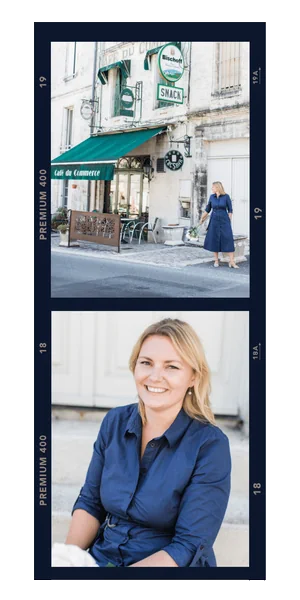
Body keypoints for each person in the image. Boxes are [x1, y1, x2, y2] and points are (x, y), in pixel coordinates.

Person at [64, 318, 231, 567]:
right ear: (135, 367)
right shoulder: (115, 422)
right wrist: (66, 560)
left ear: (193, 377)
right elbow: (91, 503)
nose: (155, 376)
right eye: (146, 363)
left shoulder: (209, 445)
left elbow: (188, 545)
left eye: (171, 367)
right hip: (103, 558)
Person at [199, 182, 239, 268]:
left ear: (217, 188)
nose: (212, 189)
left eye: (213, 187)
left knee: (228, 239)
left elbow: (230, 210)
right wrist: (202, 218)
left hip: (224, 221)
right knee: (215, 239)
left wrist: (229, 220)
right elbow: (207, 209)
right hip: (214, 221)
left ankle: (232, 262)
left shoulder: (226, 197)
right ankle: (216, 260)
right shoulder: (211, 197)